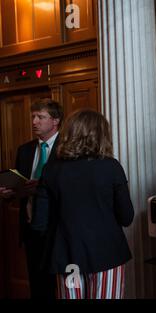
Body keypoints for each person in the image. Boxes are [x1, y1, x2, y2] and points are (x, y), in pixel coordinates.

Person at [31, 110, 134, 299]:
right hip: (107, 252)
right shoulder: (110, 167)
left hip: (67, 255)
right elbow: (127, 217)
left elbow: (39, 223)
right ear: (102, 135)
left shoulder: (51, 170)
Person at [0, 98, 63, 299]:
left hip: (59, 230)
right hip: (31, 229)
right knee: (38, 286)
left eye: (40, 117)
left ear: (56, 121)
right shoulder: (25, 150)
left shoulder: (68, 149)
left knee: (63, 286)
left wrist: (43, 187)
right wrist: (9, 193)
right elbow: (20, 185)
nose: (34, 122)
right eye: (33, 117)